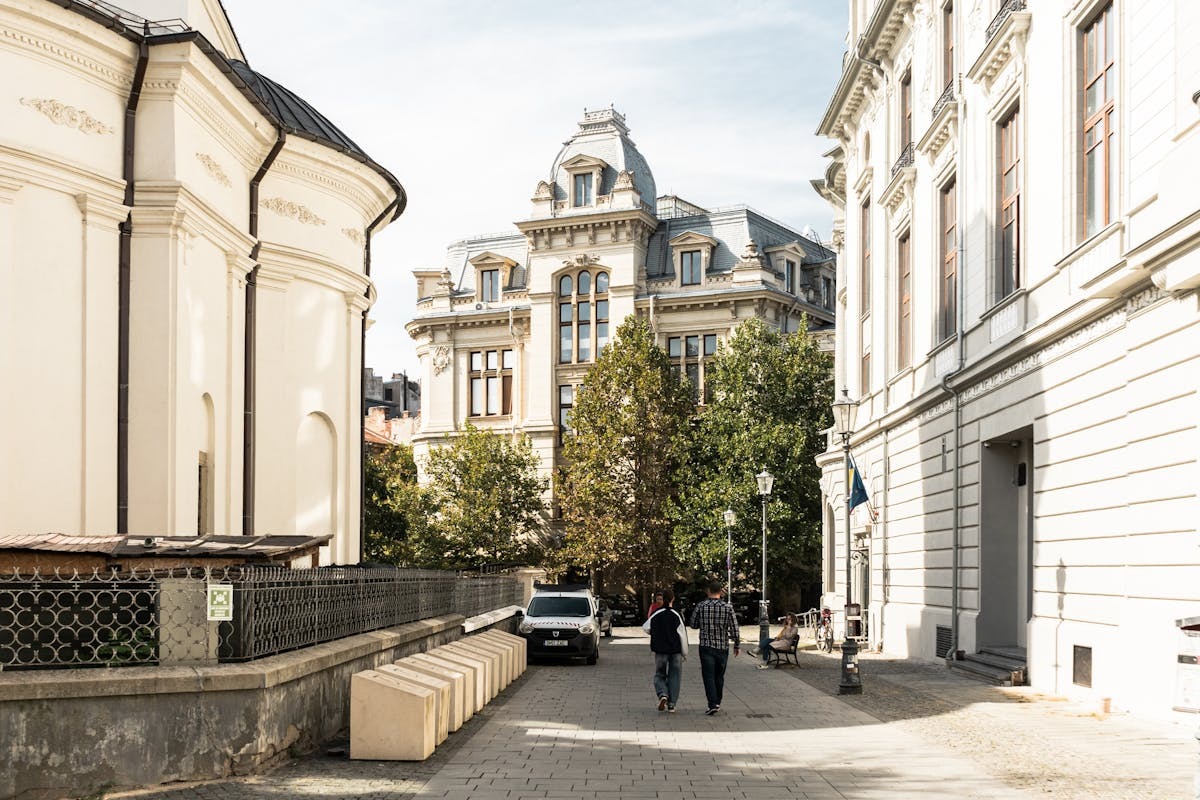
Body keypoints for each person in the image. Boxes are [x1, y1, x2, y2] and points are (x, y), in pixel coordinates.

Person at [689, 580, 740, 715]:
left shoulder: (701, 606)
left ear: (708, 591)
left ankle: (712, 703)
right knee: (719, 675)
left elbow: (693, 624)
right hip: (722, 646)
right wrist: (737, 644)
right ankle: (717, 701)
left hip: (706, 645)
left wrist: (703, 624)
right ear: (720, 592)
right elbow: (734, 627)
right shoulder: (728, 607)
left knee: (708, 676)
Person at [643, 588, 687, 712]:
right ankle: (672, 704)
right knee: (675, 676)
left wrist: (655, 632)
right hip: (675, 651)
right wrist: (685, 653)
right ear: (673, 599)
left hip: (660, 649)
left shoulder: (656, 614)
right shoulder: (676, 615)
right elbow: (682, 635)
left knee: (660, 674)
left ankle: (663, 694)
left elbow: (646, 627)